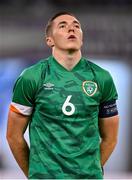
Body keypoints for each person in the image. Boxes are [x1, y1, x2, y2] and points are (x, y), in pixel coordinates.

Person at [6, 11, 119, 179]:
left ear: (82, 37)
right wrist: (34, 174)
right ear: (49, 40)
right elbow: (13, 136)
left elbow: (110, 138)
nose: (71, 29)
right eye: (63, 26)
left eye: (76, 26)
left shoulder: (102, 78)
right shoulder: (32, 77)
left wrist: (91, 170)